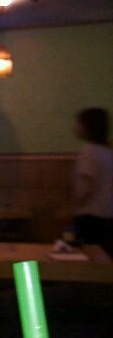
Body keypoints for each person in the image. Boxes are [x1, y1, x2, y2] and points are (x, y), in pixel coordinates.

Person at [71, 107, 113, 254]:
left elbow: (86, 187)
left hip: (89, 217)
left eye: (78, 123)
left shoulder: (88, 152)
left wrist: (74, 205)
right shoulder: (107, 152)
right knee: (103, 259)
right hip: (108, 215)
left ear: (87, 127)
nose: (75, 127)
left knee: (86, 257)